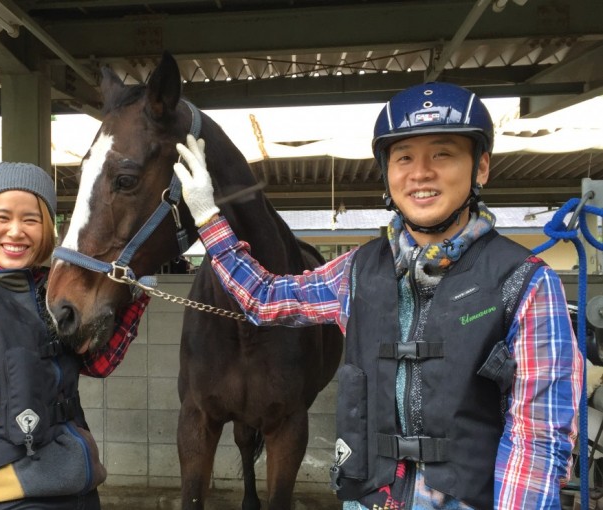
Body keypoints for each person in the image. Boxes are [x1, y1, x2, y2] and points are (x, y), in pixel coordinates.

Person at [172, 82, 583, 509]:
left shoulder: (525, 283)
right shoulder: (356, 270)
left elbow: (538, 441)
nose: (420, 172)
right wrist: (208, 216)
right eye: (403, 156)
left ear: (480, 168)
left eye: (442, 154)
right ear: (387, 172)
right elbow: (263, 297)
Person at [0, 162, 149, 510]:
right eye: (2, 217)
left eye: (31, 219)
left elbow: (97, 363)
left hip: (80, 490)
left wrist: (138, 292)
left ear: (48, 228)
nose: (16, 231)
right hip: (11, 497)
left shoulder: (52, 294)